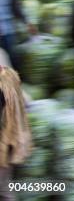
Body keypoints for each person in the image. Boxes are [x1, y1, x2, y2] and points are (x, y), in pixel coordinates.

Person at [0, 60, 32, 200]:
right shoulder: (8, 74)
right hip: (8, 143)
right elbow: (26, 101)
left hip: (3, 143)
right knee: (5, 189)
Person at [0, 0, 34, 72]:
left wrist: (27, 22)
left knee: (13, 59)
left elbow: (15, 6)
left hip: (8, 30)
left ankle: (14, 83)